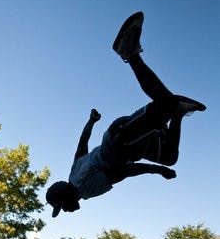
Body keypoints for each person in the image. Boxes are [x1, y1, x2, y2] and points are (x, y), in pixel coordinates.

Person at [46, 12, 206, 218]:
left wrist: (156, 171)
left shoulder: (85, 190)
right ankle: (178, 114)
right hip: (126, 142)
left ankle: (129, 53)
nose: (67, 210)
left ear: (64, 194)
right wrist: (91, 122)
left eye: (62, 206)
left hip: (122, 143)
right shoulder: (74, 171)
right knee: (169, 157)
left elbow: (122, 172)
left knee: (166, 104)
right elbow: (82, 143)